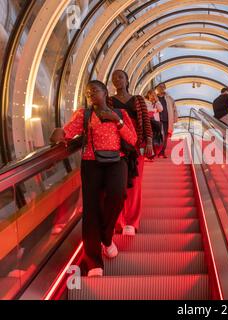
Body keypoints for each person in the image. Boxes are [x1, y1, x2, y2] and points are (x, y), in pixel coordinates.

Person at [50, 80, 137, 277]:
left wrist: (117, 121)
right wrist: (59, 134)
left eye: (95, 91)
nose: (91, 94)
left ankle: (106, 237)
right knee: (91, 210)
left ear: (105, 92)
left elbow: (132, 140)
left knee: (117, 195)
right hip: (91, 163)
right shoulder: (84, 114)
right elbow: (68, 132)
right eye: (88, 92)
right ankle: (93, 262)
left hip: (117, 161)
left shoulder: (120, 114)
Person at [110, 70, 153, 236]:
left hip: (136, 146)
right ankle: (119, 221)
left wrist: (148, 141)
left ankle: (131, 222)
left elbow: (146, 122)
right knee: (117, 185)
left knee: (135, 183)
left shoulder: (138, 100)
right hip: (116, 146)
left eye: (120, 76)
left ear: (127, 80)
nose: (117, 79)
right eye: (114, 77)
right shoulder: (109, 100)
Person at [156, 82, 179, 158]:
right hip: (156, 120)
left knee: (164, 136)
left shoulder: (169, 98)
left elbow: (174, 109)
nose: (161, 88)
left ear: (165, 88)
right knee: (157, 135)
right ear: (157, 88)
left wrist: (175, 119)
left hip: (166, 120)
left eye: (163, 87)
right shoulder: (154, 98)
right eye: (160, 87)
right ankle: (156, 151)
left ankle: (162, 152)